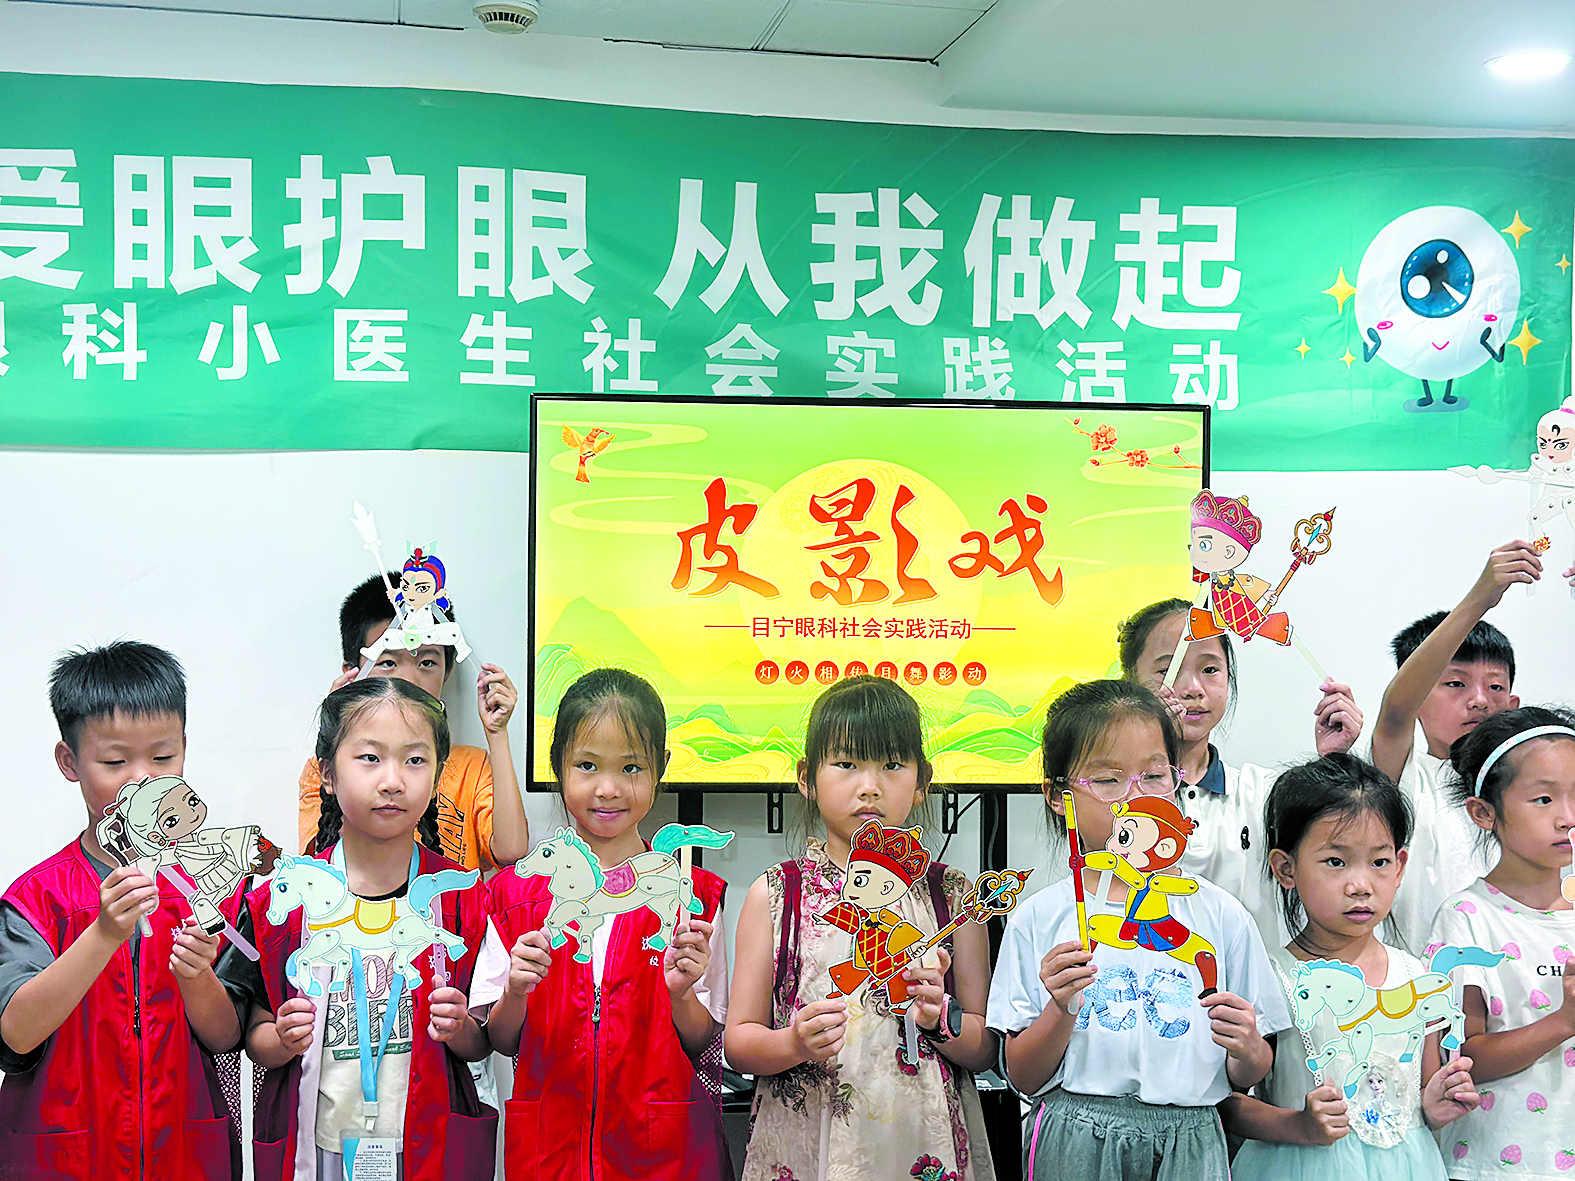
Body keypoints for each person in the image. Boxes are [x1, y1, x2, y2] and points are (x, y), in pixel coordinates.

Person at [986, 679, 1287, 1181]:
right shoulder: (1039, 917)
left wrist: (1248, 1047)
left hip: (1192, 1136)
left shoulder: (1222, 915)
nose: (1135, 797)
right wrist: (1060, 1008)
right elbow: (1023, 1076)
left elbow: (1248, 1073)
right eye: (1108, 780)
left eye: (1153, 775)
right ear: (1058, 796)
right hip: (1073, 1132)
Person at [199, 678, 499, 1180]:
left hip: (427, 1144)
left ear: (437, 776)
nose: (393, 780)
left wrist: (460, 1027)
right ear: (328, 774)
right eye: (370, 758)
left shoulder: (462, 898)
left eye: (415, 760)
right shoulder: (282, 901)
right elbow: (253, 1037)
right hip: (320, 1150)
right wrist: (282, 1038)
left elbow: (484, 1043)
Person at [728, 674, 998, 1181]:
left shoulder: (954, 897)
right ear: (807, 778)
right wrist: (794, 1044)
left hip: (921, 1143)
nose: (870, 786)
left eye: (892, 765)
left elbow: (984, 1049)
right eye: (847, 764)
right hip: (806, 1145)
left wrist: (939, 1020)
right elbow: (739, 1042)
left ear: (921, 782)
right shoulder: (778, 894)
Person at [477, 668, 732, 1181]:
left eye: (631, 767)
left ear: (660, 769)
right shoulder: (515, 897)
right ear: (558, 767)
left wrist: (681, 994)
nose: (609, 788)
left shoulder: (694, 899)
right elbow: (502, 1040)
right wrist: (516, 992)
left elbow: (705, 1041)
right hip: (550, 1153)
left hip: (662, 1154)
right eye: (587, 765)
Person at [0, 641, 238, 1178]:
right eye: (114, 762)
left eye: (163, 758)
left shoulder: (207, 890)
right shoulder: (37, 899)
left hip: (182, 1150)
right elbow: (16, 1033)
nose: (141, 780)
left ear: (184, 750)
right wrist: (103, 933)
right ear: (70, 762)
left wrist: (197, 975)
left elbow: (226, 1038)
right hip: (67, 1155)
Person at [1225, 754, 1478, 1180]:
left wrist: (1435, 1105)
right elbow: (1225, 1105)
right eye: (1336, 862)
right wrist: (1299, 1126)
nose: (1360, 885)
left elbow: (1415, 1099)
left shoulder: (1418, 977)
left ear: (1399, 867)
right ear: (1286, 868)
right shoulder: (1271, 977)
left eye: (1379, 862)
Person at [1117, 597, 1363, 945]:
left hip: (1249, 977)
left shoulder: (1263, 793)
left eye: (1210, 669)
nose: (1192, 689)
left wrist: (1331, 761)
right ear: (1130, 681)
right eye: (1166, 671)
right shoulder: (1110, 794)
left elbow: (1334, 856)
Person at [1426, 706, 1575, 1180]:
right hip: (1495, 1166)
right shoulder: (1466, 918)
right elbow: (1461, 1058)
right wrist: (1564, 1021)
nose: (1568, 817)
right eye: (1544, 799)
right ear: (1484, 812)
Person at [1369, 541, 1541, 948]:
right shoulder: (1405, 778)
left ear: (1513, 705)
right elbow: (1395, 713)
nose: (1479, 700)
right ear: (1417, 700)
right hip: (1423, 981)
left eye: (1495, 687)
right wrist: (1480, 598)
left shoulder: (1535, 786)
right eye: (1455, 684)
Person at [298, 572, 528, 870]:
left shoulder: (471, 766)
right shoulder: (325, 769)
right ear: (352, 674)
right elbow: (317, 863)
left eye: (427, 662)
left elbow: (511, 852)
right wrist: (339, 729)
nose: (408, 679)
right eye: (388, 662)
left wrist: (497, 733)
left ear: (447, 672)